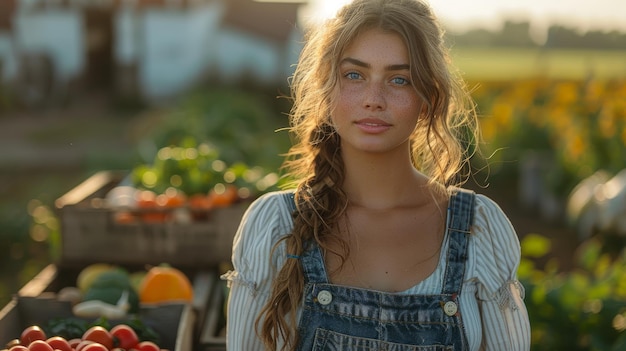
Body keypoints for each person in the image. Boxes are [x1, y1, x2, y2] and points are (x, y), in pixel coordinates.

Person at [221, 0, 531, 349]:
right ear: (326, 86)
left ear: (428, 96)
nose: (374, 98)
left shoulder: (478, 229)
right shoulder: (275, 226)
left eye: (399, 79)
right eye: (355, 75)